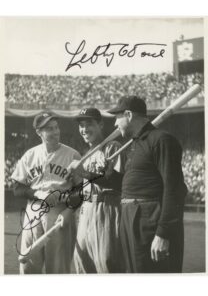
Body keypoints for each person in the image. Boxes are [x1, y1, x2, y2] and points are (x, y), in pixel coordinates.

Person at [108, 96, 187, 273]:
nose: (115, 124)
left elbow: (174, 189)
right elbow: (129, 187)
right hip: (130, 218)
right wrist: (97, 175)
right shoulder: (135, 144)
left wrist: (163, 233)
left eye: (117, 117)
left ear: (128, 115)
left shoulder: (162, 140)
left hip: (149, 219)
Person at [11, 111, 81, 274]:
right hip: (33, 211)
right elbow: (17, 188)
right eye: (49, 129)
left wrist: (68, 211)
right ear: (38, 132)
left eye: (56, 127)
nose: (55, 131)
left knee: (57, 269)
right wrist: (37, 194)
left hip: (58, 212)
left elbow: (80, 191)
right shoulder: (30, 155)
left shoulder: (72, 155)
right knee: (28, 267)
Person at [68, 108, 125, 273]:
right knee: (83, 267)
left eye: (89, 124)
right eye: (81, 125)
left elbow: (118, 182)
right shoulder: (87, 154)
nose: (84, 129)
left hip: (106, 209)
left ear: (100, 124)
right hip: (86, 212)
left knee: (107, 266)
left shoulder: (113, 147)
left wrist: (84, 173)